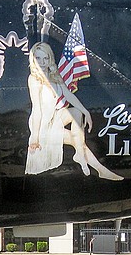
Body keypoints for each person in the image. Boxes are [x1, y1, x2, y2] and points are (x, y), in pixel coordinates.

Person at [26, 42, 123, 180]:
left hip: (54, 117)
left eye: (45, 58)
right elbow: (36, 109)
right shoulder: (34, 79)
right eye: (38, 58)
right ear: (33, 59)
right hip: (42, 125)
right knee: (77, 140)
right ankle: (96, 167)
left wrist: (85, 111)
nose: (42, 62)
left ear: (50, 58)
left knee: (76, 112)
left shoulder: (54, 75)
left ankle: (81, 156)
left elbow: (68, 95)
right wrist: (35, 137)